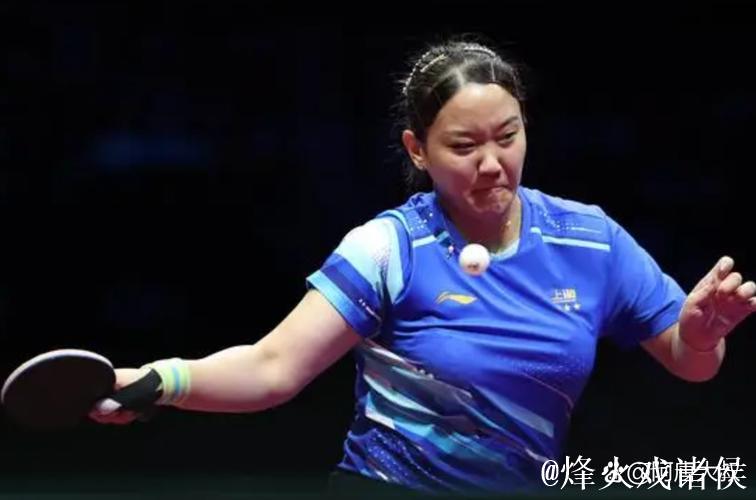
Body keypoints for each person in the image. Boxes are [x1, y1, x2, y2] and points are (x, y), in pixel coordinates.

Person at [90, 38, 756, 496]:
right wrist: (158, 379)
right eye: (464, 146)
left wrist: (700, 336)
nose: (492, 163)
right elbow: (273, 368)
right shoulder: (390, 247)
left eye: (508, 135)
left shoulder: (590, 241)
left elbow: (690, 362)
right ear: (417, 149)